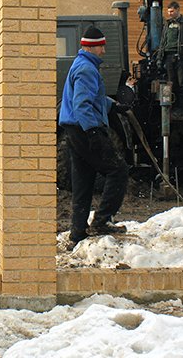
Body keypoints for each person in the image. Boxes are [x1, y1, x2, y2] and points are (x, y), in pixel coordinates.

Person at [58, 26, 130, 247]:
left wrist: (114, 106)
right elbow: (82, 105)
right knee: (118, 170)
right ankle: (101, 220)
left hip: (74, 131)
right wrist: (93, 133)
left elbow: (94, 98)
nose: (104, 50)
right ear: (92, 46)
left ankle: (77, 232)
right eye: (101, 45)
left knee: (83, 182)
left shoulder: (82, 66)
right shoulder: (87, 70)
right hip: (84, 130)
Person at [161, 1, 183, 119]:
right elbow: (163, 41)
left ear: (177, 10)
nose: (170, 14)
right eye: (168, 12)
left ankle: (181, 108)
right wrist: (159, 57)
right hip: (169, 57)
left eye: (172, 11)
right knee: (172, 83)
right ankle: (173, 108)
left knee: (182, 83)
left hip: (180, 57)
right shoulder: (167, 24)